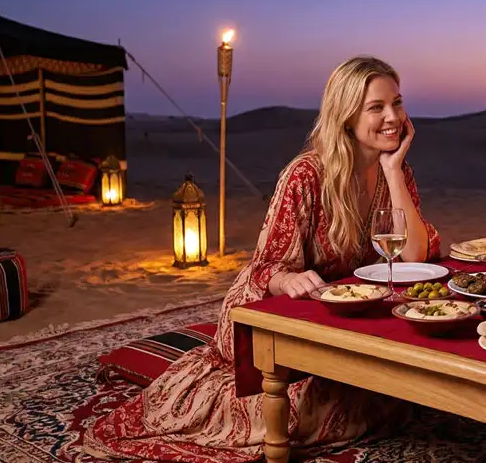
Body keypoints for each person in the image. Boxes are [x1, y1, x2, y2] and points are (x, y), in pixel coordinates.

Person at [83, 56, 442, 462]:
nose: (393, 117)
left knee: (395, 391)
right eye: (376, 107)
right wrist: (288, 280)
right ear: (345, 116)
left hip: (344, 318)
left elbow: (411, 256)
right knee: (327, 408)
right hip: (275, 309)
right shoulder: (305, 175)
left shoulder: (396, 169)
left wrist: (393, 171)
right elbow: (266, 266)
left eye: (397, 102)